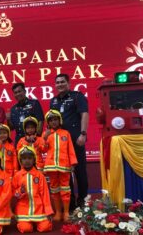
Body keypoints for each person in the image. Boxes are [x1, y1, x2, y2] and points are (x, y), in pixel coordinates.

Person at [50, 73, 89, 209]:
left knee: (80, 171)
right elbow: (52, 122)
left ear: (68, 83)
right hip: (61, 143)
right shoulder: (53, 101)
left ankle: (83, 200)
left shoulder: (77, 96)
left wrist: (83, 134)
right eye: (57, 82)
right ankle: (71, 202)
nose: (60, 84)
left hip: (76, 140)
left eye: (62, 82)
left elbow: (84, 114)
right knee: (65, 173)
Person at [43, 110, 77, 221]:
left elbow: (70, 149)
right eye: (51, 120)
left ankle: (66, 212)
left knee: (65, 189)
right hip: (51, 166)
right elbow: (43, 149)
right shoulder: (46, 134)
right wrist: (44, 138)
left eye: (55, 119)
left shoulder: (66, 133)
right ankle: (58, 212)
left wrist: (73, 163)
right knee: (54, 190)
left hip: (64, 166)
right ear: (48, 122)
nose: (53, 122)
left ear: (59, 120)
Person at [12, 146, 53, 233]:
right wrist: (20, 191)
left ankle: (36, 223)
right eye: (24, 158)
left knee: (45, 227)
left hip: (39, 209)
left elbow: (45, 194)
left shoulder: (40, 175)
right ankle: (25, 223)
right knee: (26, 229)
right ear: (20, 160)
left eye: (30, 158)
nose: (27, 161)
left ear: (34, 160)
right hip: (23, 209)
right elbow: (13, 194)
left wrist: (48, 211)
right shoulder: (17, 176)